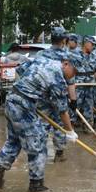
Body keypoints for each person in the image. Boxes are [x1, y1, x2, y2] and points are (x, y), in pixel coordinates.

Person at [0, 57, 78, 192]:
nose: (73, 76)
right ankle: (36, 183)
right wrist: (70, 131)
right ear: (66, 64)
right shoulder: (58, 78)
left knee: (14, 141)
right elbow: (62, 110)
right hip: (23, 105)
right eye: (73, 72)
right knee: (38, 143)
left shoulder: (43, 60)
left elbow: (20, 69)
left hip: (12, 99)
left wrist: (31, 90)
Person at [34, 27, 76, 162]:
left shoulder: (41, 54)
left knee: (41, 127)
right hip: (59, 96)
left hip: (41, 98)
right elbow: (70, 81)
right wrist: (73, 100)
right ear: (64, 40)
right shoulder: (66, 57)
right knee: (60, 124)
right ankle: (59, 154)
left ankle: (40, 157)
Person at [74, 35, 96, 125]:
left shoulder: (93, 56)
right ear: (86, 43)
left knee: (89, 106)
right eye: (92, 44)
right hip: (78, 85)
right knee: (75, 105)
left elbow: (95, 71)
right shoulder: (76, 55)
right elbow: (70, 71)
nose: (93, 47)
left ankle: (87, 125)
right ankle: (70, 126)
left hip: (91, 85)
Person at [0, 42, 28, 108]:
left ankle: (2, 103)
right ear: (18, 49)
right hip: (20, 81)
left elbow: (2, 69)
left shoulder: (6, 58)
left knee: (3, 88)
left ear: (11, 50)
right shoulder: (24, 58)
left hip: (8, 81)